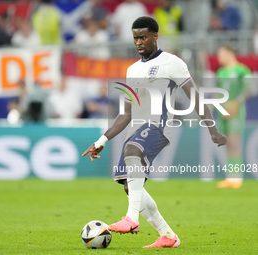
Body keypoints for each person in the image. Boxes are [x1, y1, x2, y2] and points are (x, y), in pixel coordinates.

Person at [82, 16, 227, 248]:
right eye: (135, 38)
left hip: (159, 126)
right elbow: (126, 113)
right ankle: (168, 236)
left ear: (155, 36)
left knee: (132, 151)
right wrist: (102, 139)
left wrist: (213, 129)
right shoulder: (132, 70)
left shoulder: (172, 63)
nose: (139, 42)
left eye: (143, 37)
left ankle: (131, 219)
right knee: (131, 186)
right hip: (136, 129)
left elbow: (195, 97)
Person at [216, 45, 252, 189]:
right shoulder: (221, 72)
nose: (219, 57)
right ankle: (230, 177)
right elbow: (217, 93)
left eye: (221, 54)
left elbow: (250, 89)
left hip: (235, 112)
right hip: (222, 112)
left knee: (234, 142)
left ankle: (237, 177)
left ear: (230, 54)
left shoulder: (241, 70)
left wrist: (236, 102)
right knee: (227, 144)